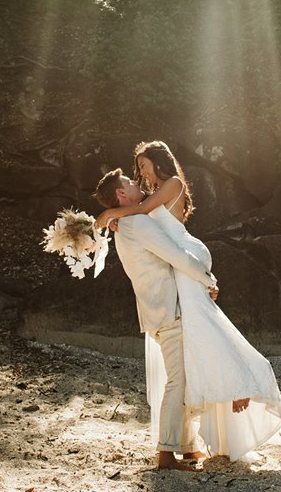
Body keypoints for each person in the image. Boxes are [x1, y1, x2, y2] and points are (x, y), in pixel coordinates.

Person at [95, 141, 281, 462]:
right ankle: (175, 445)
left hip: (180, 280)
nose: (137, 175)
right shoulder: (134, 219)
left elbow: (144, 215)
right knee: (191, 363)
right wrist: (112, 218)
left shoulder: (163, 191)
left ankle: (189, 439)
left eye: (142, 166)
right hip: (176, 289)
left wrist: (110, 215)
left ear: (158, 162)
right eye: (133, 175)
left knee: (194, 356)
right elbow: (151, 230)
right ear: (121, 194)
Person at [93, 167, 216, 471]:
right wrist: (208, 278)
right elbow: (174, 255)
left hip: (158, 309)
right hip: (167, 309)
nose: (137, 183)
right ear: (122, 195)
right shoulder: (134, 223)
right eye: (129, 183)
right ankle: (166, 454)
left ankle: (186, 448)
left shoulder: (125, 223)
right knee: (178, 380)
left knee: (182, 377)